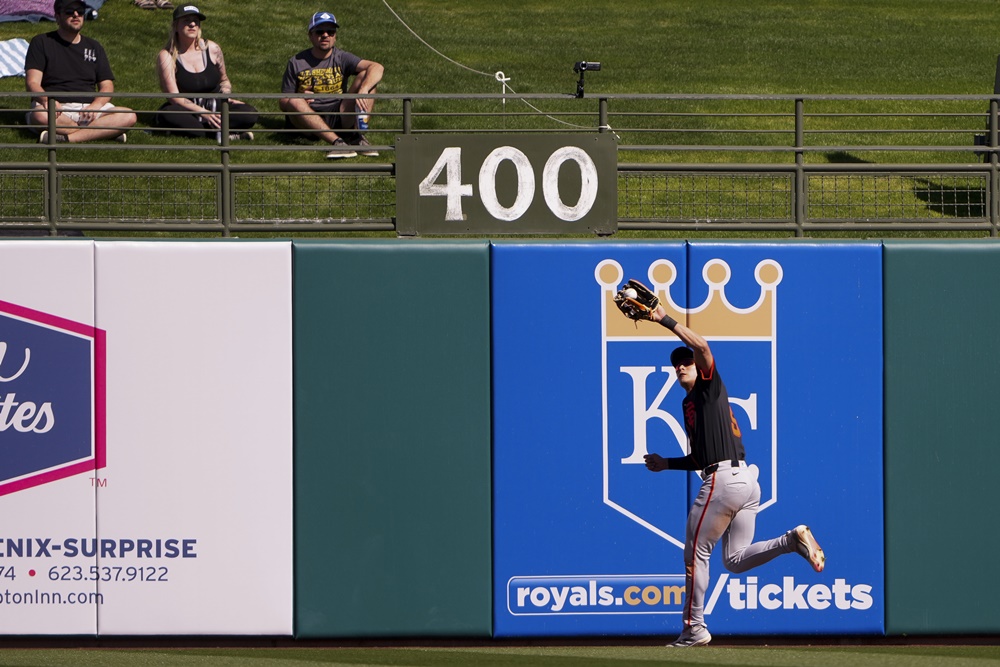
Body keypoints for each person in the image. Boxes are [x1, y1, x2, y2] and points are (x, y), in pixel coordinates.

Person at [642, 304, 826, 648]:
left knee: (696, 553)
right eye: (676, 363)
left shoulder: (707, 388)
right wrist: (667, 463)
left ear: (698, 368)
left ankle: (694, 628)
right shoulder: (689, 405)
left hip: (724, 481)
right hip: (744, 483)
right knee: (735, 561)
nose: (681, 365)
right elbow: (699, 457)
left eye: (686, 361)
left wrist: (664, 319)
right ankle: (792, 539)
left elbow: (704, 348)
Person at [25, 0, 137, 143]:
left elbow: (107, 86)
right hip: (58, 106)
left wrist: (95, 106)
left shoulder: (94, 46)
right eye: (69, 12)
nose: (76, 15)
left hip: (89, 108)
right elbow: (32, 82)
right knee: (40, 115)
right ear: (58, 17)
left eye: (80, 11)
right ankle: (102, 132)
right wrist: (47, 100)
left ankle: (68, 138)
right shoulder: (41, 42)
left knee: (129, 116)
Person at [279, 10, 384, 159]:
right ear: (310, 35)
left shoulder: (342, 57)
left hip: (337, 112)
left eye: (330, 32)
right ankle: (337, 143)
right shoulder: (296, 62)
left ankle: (356, 135)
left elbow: (377, 67)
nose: (325, 35)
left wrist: (364, 89)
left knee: (367, 78)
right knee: (294, 100)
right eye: (320, 32)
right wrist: (299, 96)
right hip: (308, 116)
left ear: (335, 36)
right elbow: (283, 102)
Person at [154, 5, 258, 141]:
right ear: (175, 25)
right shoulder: (167, 56)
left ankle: (207, 131)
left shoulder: (212, 49)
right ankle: (226, 134)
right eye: (186, 20)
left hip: (216, 105)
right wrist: (204, 113)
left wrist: (226, 96)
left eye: (195, 21)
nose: (192, 24)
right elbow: (174, 97)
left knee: (249, 113)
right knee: (169, 114)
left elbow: (224, 80)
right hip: (187, 109)